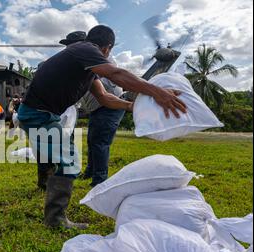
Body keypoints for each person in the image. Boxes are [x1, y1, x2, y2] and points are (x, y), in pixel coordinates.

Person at [18, 25, 186, 229]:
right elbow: (116, 73)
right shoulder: (85, 49)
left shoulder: (87, 68)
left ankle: (53, 209)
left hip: (42, 114)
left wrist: (135, 106)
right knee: (70, 161)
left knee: (62, 158)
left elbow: (105, 97)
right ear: (107, 48)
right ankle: (55, 220)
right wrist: (157, 92)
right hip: (38, 115)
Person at [34, 31, 88, 190]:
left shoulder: (82, 65)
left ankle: (62, 177)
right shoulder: (54, 64)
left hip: (67, 111)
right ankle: (47, 179)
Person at [80, 58, 125, 187]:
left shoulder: (99, 58)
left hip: (110, 105)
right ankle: (90, 172)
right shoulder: (78, 59)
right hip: (97, 108)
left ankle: (100, 180)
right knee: (92, 141)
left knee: (100, 142)